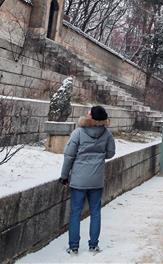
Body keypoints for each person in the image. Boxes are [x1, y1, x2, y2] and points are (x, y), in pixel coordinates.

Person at [60, 105, 116, 255]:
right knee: (95, 212)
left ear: (92, 116)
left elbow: (69, 156)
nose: (87, 113)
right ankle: (93, 245)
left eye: (89, 112)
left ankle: (73, 247)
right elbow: (111, 153)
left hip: (79, 180)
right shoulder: (107, 134)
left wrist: (64, 176)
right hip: (96, 180)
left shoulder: (78, 132)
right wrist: (98, 156)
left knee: (75, 213)